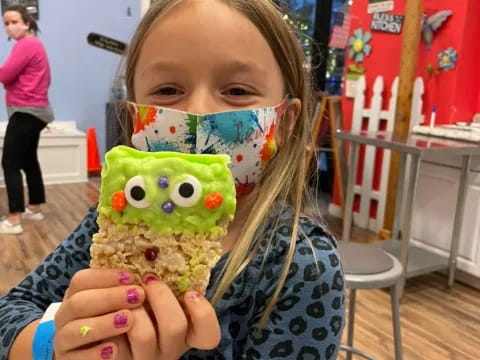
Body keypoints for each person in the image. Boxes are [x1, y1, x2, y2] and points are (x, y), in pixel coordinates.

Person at [0, 0, 345, 359]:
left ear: (285, 122)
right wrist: (52, 346)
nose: (198, 112)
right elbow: (10, 311)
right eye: (167, 91)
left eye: (238, 91)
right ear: (136, 118)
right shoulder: (120, 217)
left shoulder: (304, 264)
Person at [0, 5, 54, 235]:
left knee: (10, 162)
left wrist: (7, 80)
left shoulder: (27, 45)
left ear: (27, 23)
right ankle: (35, 207)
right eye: (6, 23)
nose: (10, 27)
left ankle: (14, 219)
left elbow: (5, 75)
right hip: (37, 111)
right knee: (28, 160)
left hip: (26, 111)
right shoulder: (34, 44)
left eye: (14, 21)